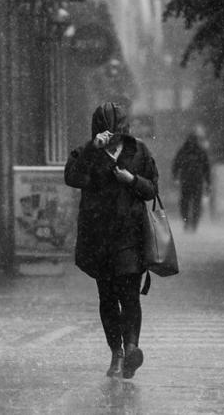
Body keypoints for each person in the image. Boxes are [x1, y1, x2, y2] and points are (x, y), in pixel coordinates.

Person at [64, 102, 158, 379]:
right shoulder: (85, 152)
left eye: (116, 132)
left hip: (130, 237)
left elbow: (152, 189)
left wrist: (132, 180)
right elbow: (72, 177)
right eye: (107, 133)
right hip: (98, 238)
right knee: (107, 297)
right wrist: (93, 150)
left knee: (129, 295)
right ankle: (116, 352)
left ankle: (131, 349)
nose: (113, 138)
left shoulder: (138, 150)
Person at [172, 125, 211, 232]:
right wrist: (208, 182)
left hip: (186, 181)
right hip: (196, 181)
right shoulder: (200, 151)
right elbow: (206, 168)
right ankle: (193, 223)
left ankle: (188, 222)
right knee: (195, 204)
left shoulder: (184, 150)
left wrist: (175, 177)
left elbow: (176, 164)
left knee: (185, 203)